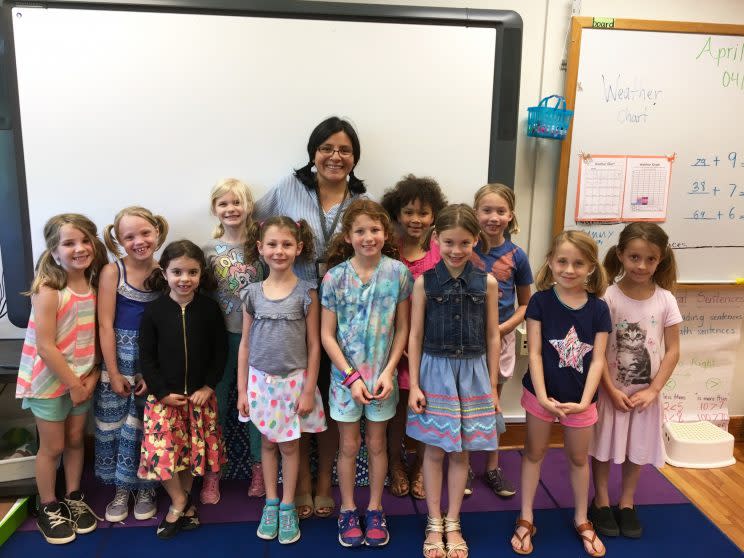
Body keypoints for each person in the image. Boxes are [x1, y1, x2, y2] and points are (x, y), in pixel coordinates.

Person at [254, 116, 366, 519]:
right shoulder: (290, 187)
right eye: (327, 148)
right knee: (294, 395)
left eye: (345, 150)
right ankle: (299, 485)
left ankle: (323, 484)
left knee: (333, 394)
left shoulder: (361, 201)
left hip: (342, 307)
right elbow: (256, 222)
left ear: (355, 157)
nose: (335, 156)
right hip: (294, 304)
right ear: (313, 152)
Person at [407, 204, 501, 558]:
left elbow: (493, 336)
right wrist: (414, 384)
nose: (457, 250)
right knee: (433, 450)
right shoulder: (424, 282)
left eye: (464, 242)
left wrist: (492, 386)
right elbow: (415, 336)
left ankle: (453, 521)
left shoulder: (486, 282)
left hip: (473, 373)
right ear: (436, 240)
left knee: (461, 451)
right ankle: (433, 521)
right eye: (449, 242)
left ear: (475, 240)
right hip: (435, 373)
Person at [510, 230, 611, 557]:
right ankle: (526, 515)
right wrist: (541, 395)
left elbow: (598, 358)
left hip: (581, 398)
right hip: (542, 396)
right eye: (562, 261)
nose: (569, 269)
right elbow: (536, 353)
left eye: (578, 263)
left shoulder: (599, 308)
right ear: (551, 263)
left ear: (591, 267)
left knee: (579, 458)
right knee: (534, 452)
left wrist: (585, 400)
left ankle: (582, 517)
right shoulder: (540, 301)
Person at [320, 199, 412, 548]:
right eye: (360, 230)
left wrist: (389, 372)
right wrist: (351, 377)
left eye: (375, 230)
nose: (368, 237)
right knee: (348, 444)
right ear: (348, 236)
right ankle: (347, 508)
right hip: (346, 381)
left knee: (377, 443)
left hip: (382, 380)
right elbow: (327, 335)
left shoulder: (398, 273)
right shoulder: (334, 277)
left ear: (385, 233)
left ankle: (374, 509)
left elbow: (402, 329)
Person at [16, 214, 107, 544]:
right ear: (54, 251)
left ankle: (73, 496)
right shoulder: (49, 289)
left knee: (75, 441)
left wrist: (92, 376)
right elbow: (46, 346)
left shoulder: (94, 287)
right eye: (69, 243)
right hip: (52, 383)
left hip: (82, 381)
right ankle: (48, 505)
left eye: (85, 241)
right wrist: (74, 384)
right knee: (52, 446)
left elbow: (93, 337)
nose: (80, 248)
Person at [237, 216, 327, 545]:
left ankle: (288, 504)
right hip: (260, 383)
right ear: (260, 249)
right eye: (272, 244)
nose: (279, 251)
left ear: (298, 248)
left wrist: (307, 390)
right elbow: (245, 345)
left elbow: (315, 345)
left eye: (287, 244)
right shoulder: (251, 293)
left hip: (293, 382)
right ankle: (271, 503)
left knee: (290, 445)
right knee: (268, 444)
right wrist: (243, 389)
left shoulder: (307, 293)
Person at [589, 223, 681, 539]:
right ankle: (600, 500)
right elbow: (597, 351)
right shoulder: (606, 297)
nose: (641, 266)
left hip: (645, 397)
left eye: (650, 259)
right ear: (621, 255)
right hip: (610, 392)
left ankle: (626, 502)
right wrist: (610, 389)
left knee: (636, 449)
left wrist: (654, 390)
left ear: (660, 260)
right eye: (634, 257)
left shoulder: (666, 300)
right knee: (602, 446)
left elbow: (673, 351)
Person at [137, 240, 227, 539]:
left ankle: (186, 501)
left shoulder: (210, 309)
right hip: (165, 399)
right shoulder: (154, 311)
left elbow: (220, 352)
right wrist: (161, 391)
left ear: (201, 274)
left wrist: (208, 385)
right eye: (177, 272)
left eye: (192, 272)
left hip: (198, 399)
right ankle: (178, 500)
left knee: (187, 455)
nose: (184, 279)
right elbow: (146, 356)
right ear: (164, 273)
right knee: (163, 457)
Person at [95, 206, 168, 523]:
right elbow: (105, 325)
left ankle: (147, 487)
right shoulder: (113, 272)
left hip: (152, 362)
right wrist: (112, 372)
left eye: (145, 233)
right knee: (117, 427)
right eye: (130, 236)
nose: (139, 241)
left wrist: (157, 374)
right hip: (119, 362)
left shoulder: (166, 271)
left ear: (156, 231)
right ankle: (121, 490)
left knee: (146, 427)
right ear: (119, 240)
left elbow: (167, 327)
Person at [380, 174, 447, 501]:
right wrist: (398, 345)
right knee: (395, 412)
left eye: (423, 213)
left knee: (426, 408)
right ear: (397, 213)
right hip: (391, 346)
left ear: (434, 216)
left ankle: (421, 466)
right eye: (409, 212)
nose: (416, 219)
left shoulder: (440, 250)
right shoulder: (386, 248)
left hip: (430, 347)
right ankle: (396, 464)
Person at [204, 178, 265, 502]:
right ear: (215, 209)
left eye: (236, 202)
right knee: (218, 405)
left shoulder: (261, 248)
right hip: (221, 341)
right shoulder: (207, 252)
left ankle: (259, 469)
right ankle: (214, 473)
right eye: (224, 203)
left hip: (258, 341)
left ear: (249, 207)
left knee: (255, 405)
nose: (231, 209)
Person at [472, 184, 533, 498]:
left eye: (500, 211)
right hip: (465, 342)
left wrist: (501, 328)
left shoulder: (517, 256)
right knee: (463, 402)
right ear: (475, 213)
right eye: (486, 210)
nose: (493, 217)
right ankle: (464, 464)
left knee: (492, 404)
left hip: (502, 339)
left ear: (510, 216)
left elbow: (525, 304)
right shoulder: (464, 248)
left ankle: (492, 466)